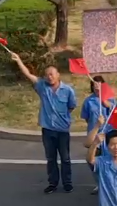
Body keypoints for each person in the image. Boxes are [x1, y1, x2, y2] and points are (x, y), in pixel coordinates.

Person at [9, 51, 77, 194]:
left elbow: (71, 106)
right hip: (47, 129)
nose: (49, 77)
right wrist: (19, 60)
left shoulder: (68, 90)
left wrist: (62, 117)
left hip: (63, 130)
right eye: (47, 74)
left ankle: (67, 183)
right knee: (51, 158)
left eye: (52, 74)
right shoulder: (42, 86)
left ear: (58, 75)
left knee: (65, 158)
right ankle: (52, 183)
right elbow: (29, 75)